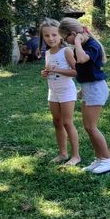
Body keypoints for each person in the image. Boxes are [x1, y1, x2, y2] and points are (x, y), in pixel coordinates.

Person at [58, 18, 110, 174]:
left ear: (73, 33)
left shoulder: (91, 45)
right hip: (89, 88)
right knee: (88, 127)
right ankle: (100, 158)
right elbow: (82, 69)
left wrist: (77, 42)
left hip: (96, 88)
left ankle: (108, 159)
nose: (66, 42)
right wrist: (82, 89)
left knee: (91, 127)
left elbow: (82, 59)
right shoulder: (82, 46)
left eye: (66, 38)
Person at [39, 19, 81, 167]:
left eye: (54, 35)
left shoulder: (66, 51)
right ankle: (63, 153)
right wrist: (45, 73)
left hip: (66, 91)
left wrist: (57, 70)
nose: (50, 38)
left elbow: (76, 71)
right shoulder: (47, 53)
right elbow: (50, 70)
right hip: (53, 92)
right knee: (57, 122)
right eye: (46, 35)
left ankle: (76, 156)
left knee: (67, 123)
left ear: (61, 35)